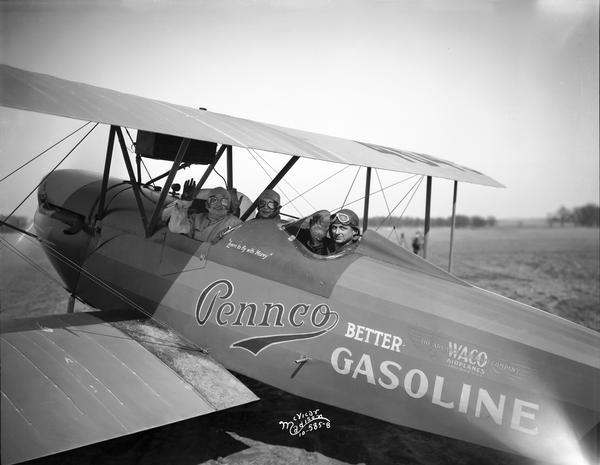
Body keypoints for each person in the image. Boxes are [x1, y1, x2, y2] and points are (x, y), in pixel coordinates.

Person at [162, 182, 242, 243]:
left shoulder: (235, 224)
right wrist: (184, 204)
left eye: (224, 201)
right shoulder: (196, 218)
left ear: (228, 206)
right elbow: (176, 228)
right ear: (207, 204)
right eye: (213, 200)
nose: (218, 204)